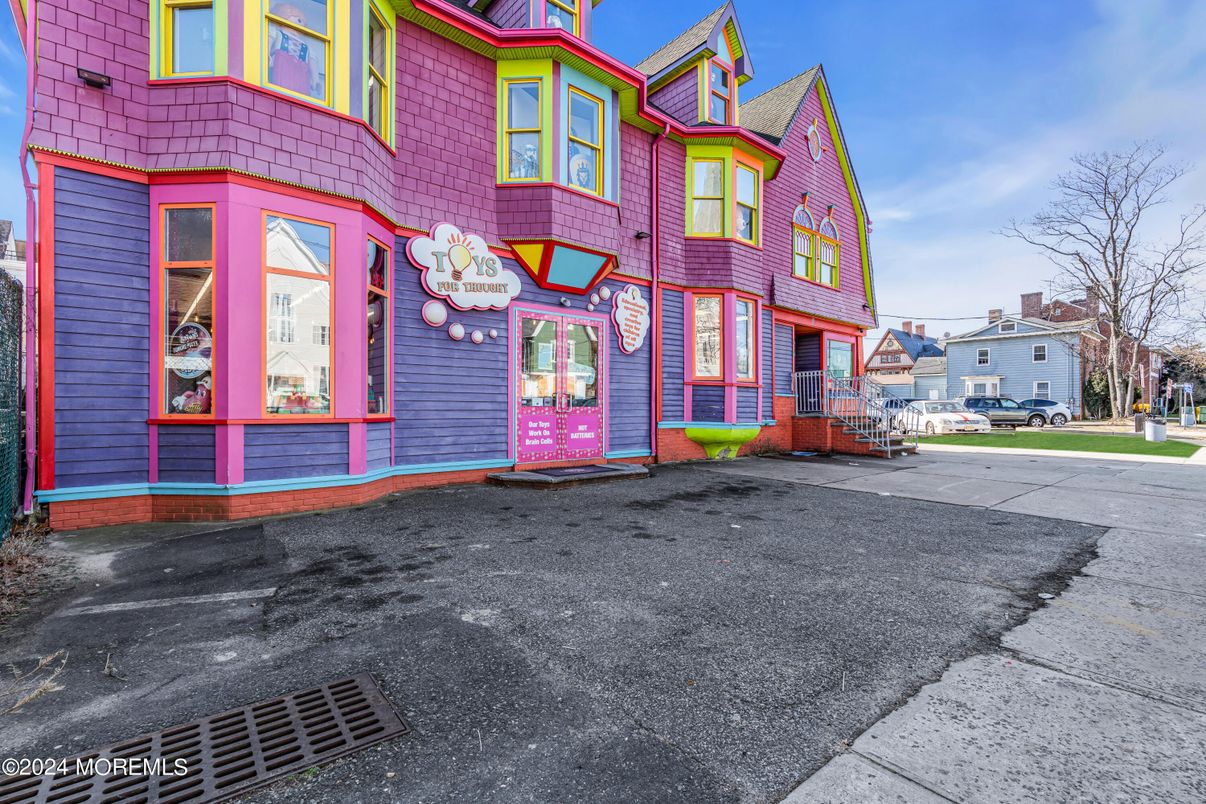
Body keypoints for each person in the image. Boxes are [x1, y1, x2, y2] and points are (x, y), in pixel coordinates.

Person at [268, 3, 321, 99]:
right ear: (283, 15)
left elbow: (312, 59)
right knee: (280, 86)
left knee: (301, 93)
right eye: (298, 19)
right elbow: (269, 41)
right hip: (281, 65)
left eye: (302, 22)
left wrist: (315, 79)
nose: (301, 24)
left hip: (301, 72)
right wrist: (266, 55)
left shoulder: (306, 46)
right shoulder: (277, 33)